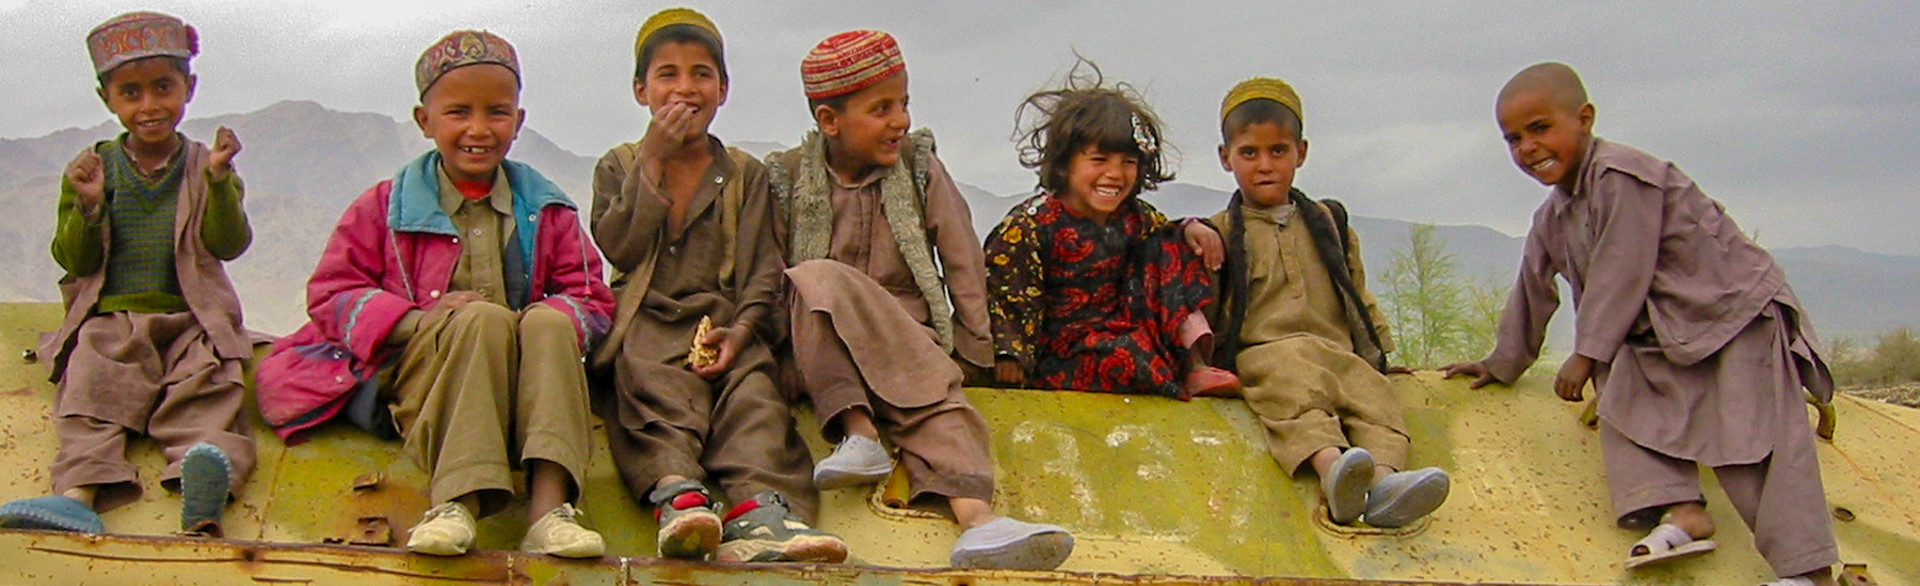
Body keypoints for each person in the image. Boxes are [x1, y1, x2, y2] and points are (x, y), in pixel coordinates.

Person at [1442, 62, 1838, 586]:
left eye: (1540, 128)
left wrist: (1587, 351)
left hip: (1733, 317)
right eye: (1513, 139)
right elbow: (1532, 288)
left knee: (1748, 440)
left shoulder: (1624, 176)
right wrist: (1503, 362)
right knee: (1622, 393)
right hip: (1667, 333)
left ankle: (1807, 571)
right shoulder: (1553, 217)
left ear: (1584, 118)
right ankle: (1680, 510)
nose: (1528, 148)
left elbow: (1622, 269)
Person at [253, 30, 614, 559]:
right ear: (425, 120)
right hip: (429, 383)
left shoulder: (547, 210)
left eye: (496, 112)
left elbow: (591, 297)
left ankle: (550, 512)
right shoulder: (386, 207)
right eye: (458, 112)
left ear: (518, 121)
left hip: (529, 389)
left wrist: (542, 319)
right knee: (481, 319)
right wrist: (417, 320)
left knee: (546, 322)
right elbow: (332, 293)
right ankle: (455, 503)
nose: (478, 129)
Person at [764, 29, 1072, 570]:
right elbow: (769, 272)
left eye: (903, 104)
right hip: (822, 346)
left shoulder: (918, 167)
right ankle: (858, 432)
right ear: (829, 120)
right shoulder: (790, 177)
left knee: (941, 406)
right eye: (881, 109)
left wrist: (974, 347)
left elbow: (961, 257)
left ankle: (979, 522)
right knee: (812, 279)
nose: (900, 121)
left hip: (903, 335)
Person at [590, 7, 845, 563]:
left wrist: (742, 331)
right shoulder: (620, 165)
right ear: (641, 90)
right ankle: (678, 497)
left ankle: (762, 513)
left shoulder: (744, 174)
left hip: (722, 325)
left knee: (753, 397)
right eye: (668, 74)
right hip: (645, 322)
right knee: (651, 388)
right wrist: (653, 158)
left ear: (723, 90)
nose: (685, 88)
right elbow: (619, 246)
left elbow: (761, 270)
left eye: (701, 74)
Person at [0, 11, 253, 538]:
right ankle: (78, 495)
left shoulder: (205, 165)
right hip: (113, 320)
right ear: (107, 99)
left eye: (163, 87)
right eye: (131, 93)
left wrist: (219, 181)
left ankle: (203, 487)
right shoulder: (93, 167)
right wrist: (88, 206)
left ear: (189, 89)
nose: (149, 106)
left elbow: (229, 244)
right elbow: (75, 261)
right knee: (91, 387)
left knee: (208, 386)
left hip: (191, 319)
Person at [1206, 77, 1448, 528]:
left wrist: (1380, 355)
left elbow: (1357, 293)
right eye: (1249, 153)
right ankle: (1334, 472)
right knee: (1298, 399)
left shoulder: (1329, 223)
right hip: (1267, 355)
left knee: (1375, 399)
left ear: (1301, 152)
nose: (1265, 165)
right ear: (1226, 158)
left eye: (1278, 151)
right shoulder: (1220, 232)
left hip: (1337, 352)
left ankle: (1385, 484)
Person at [983, 59, 1235, 399]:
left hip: (1128, 331)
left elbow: (1166, 247)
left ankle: (1195, 364)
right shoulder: (1030, 226)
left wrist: (1191, 229)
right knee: (1126, 359)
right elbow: (1006, 292)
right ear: (1065, 162)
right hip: (1064, 350)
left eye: (1128, 162)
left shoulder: (1136, 218)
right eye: (1099, 160)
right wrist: (1010, 354)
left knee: (1172, 245)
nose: (1115, 174)